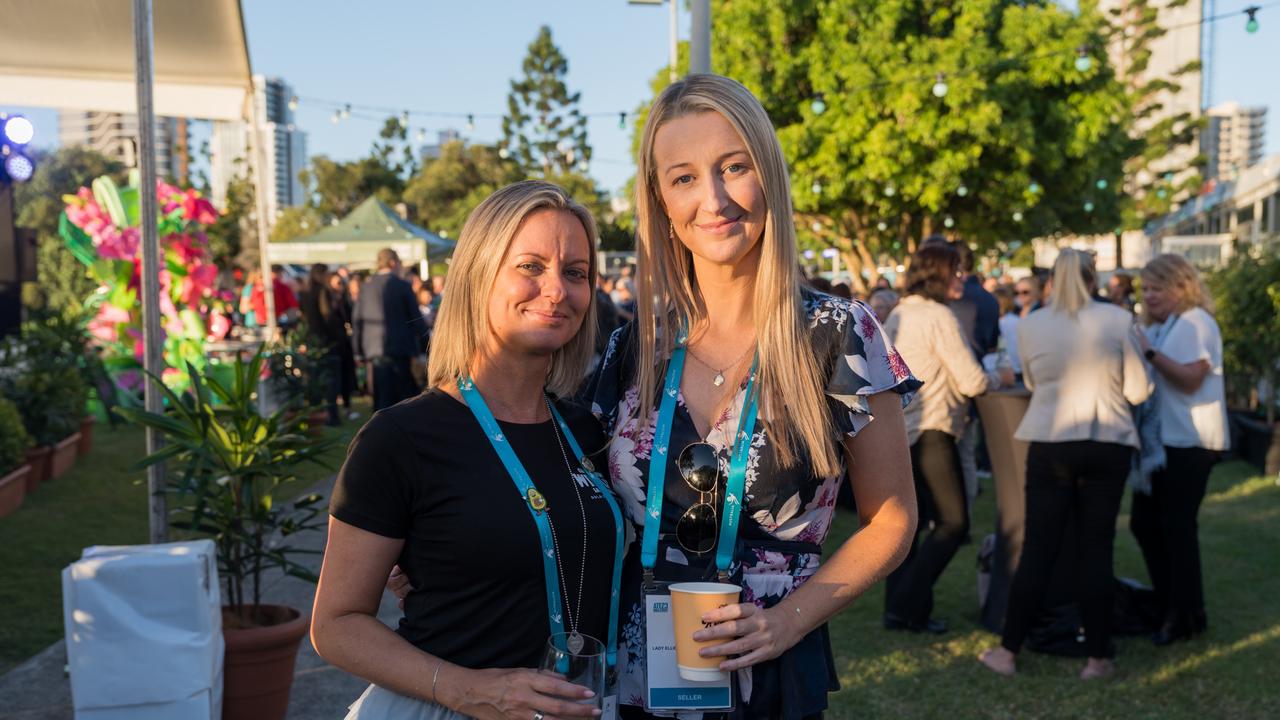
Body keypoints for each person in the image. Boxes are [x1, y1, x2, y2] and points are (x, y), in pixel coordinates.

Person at [592, 74, 919, 718]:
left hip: (770, 672)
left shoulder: (837, 335)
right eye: (683, 177)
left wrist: (788, 621)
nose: (712, 199)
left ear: (768, 174)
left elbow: (893, 519)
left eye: (733, 167)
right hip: (635, 678)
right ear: (659, 201)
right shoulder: (629, 350)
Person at [313, 181, 622, 720]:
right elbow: (336, 625)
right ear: (478, 276)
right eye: (530, 266)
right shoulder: (401, 438)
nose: (556, 290)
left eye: (575, 272)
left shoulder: (587, 431)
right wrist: (464, 689)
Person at [979, 249, 1152, 680]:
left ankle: (1008, 651)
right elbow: (1138, 390)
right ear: (1094, 279)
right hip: (1108, 441)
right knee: (1097, 550)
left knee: (1038, 547)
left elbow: (1034, 382)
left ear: (1052, 280)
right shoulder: (1116, 319)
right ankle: (1098, 657)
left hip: (1051, 440)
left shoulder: (1032, 322)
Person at [882, 244, 1010, 634]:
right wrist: (999, 378)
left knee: (912, 526)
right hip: (932, 428)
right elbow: (971, 380)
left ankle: (904, 611)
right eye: (956, 270)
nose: (963, 277)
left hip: (900, 431)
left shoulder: (903, 310)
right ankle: (906, 603)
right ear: (939, 273)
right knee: (954, 523)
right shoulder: (938, 315)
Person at [1131, 254, 1228, 645]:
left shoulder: (1195, 323)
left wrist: (1148, 352)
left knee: (1176, 528)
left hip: (1190, 441)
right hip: (1165, 442)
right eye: (1146, 289)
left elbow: (1190, 379)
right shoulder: (1168, 324)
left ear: (1180, 286)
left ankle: (1183, 614)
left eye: (1157, 288)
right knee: (1147, 523)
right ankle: (1175, 604)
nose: (1150, 296)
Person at [353, 248, 424, 412]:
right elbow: (415, 318)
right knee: (404, 397)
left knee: (382, 396)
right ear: (393, 263)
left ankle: (381, 432)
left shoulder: (366, 287)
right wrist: (425, 342)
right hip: (401, 348)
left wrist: (358, 351)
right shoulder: (403, 286)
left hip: (375, 349)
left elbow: (357, 320)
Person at [301, 263, 349, 426]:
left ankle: (316, 413)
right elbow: (327, 315)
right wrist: (338, 332)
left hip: (313, 340)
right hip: (327, 342)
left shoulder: (306, 292)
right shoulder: (322, 291)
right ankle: (331, 415)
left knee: (316, 379)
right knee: (331, 381)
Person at [328, 270, 360, 418]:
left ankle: (347, 406)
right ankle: (335, 409)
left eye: (341, 283)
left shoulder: (345, 301)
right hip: (334, 344)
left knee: (347, 375)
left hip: (345, 344)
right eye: (337, 284)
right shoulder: (328, 301)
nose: (339, 287)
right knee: (335, 377)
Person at [250, 264, 301, 328]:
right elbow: (293, 307)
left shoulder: (256, 287)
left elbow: (252, 304)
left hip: (260, 323)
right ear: (280, 273)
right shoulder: (282, 287)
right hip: (278, 323)